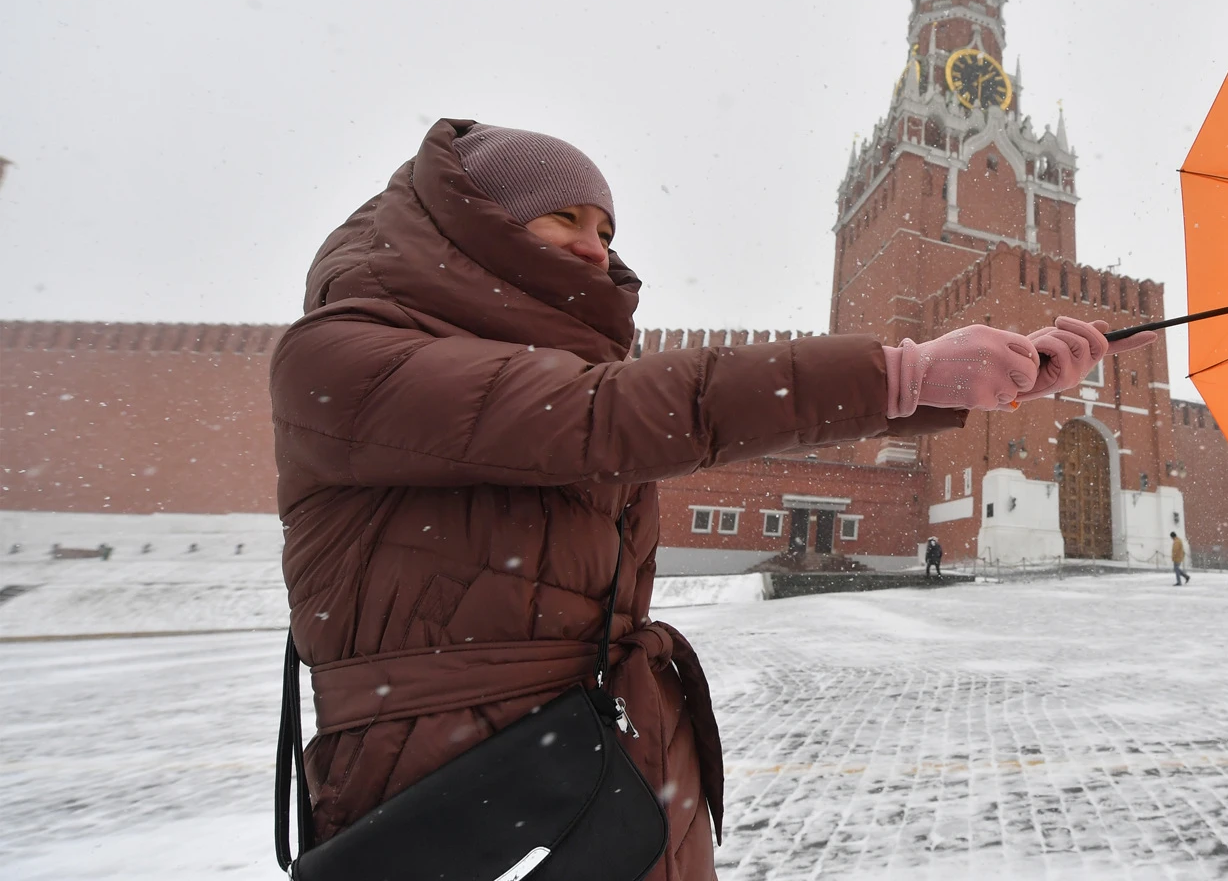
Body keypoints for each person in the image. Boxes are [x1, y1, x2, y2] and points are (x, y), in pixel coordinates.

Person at [270, 120, 1146, 880]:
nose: (594, 247)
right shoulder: (344, 360)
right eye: (562, 216)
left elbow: (699, 425)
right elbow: (615, 418)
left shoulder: (557, 371)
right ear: (471, 225)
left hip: (606, 774)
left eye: (606, 227)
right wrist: (901, 372)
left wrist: (970, 386)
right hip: (459, 799)